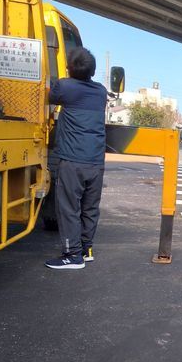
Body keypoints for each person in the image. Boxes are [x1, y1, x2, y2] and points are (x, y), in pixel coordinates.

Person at [45, 47, 108, 270]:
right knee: (90, 208)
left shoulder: (65, 87)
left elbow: (49, 97)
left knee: (69, 207)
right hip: (96, 162)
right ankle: (85, 249)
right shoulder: (101, 91)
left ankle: (72, 256)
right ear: (92, 70)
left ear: (69, 68)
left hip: (72, 160)